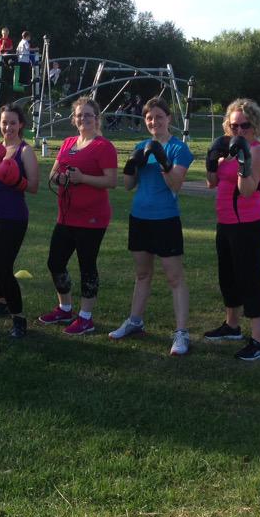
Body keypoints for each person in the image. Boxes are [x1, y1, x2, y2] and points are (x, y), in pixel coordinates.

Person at [110, 97, 194, 355]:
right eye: (149, 118)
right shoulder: (140, 144)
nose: (154, 122)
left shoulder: (179, 149)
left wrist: (164, 162)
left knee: (174, 277)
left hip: (165, 218)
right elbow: (127, 185)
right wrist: (131, 163)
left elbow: (175, 184)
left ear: (169, 119)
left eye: (159, 117)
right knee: (143, 274)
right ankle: (135, 320)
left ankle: (181, 333)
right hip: (140, 217)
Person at [38, 97, 118, 335]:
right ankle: (65, 308)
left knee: (87, 266)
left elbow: (111, 181)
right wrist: (60, 178)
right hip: (66, 215)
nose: (84, 119)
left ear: (97, 119)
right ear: (74, 119)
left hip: (92, 218)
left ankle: (85, 317)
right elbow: (53, 173)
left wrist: (83, 178)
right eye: (80, 115)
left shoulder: (104, 146)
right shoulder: (68, 143)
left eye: (89, 115)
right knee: (55, 262)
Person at [204, 98, 260, 361]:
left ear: (254, 125)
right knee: (228, 276)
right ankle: (231, 326)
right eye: (234, 126)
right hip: (226, 222)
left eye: (244, 125)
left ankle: (258, 342)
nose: (239, 131)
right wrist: (212, 159)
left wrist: (242, 159)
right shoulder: (227, 148)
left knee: (249, 279)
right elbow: (211, 183)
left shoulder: (257, 151)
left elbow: (246, 191)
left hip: (249, 223)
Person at [0, 105, 40, 339]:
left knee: (4, 266)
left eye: (12, 122)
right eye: (4, 122)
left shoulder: (25, 151)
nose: (8, 127)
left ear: (20, 124)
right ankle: (1, 302)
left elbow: (33, 187)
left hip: (14, 217)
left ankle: (19, 317)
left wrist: (16, 180)